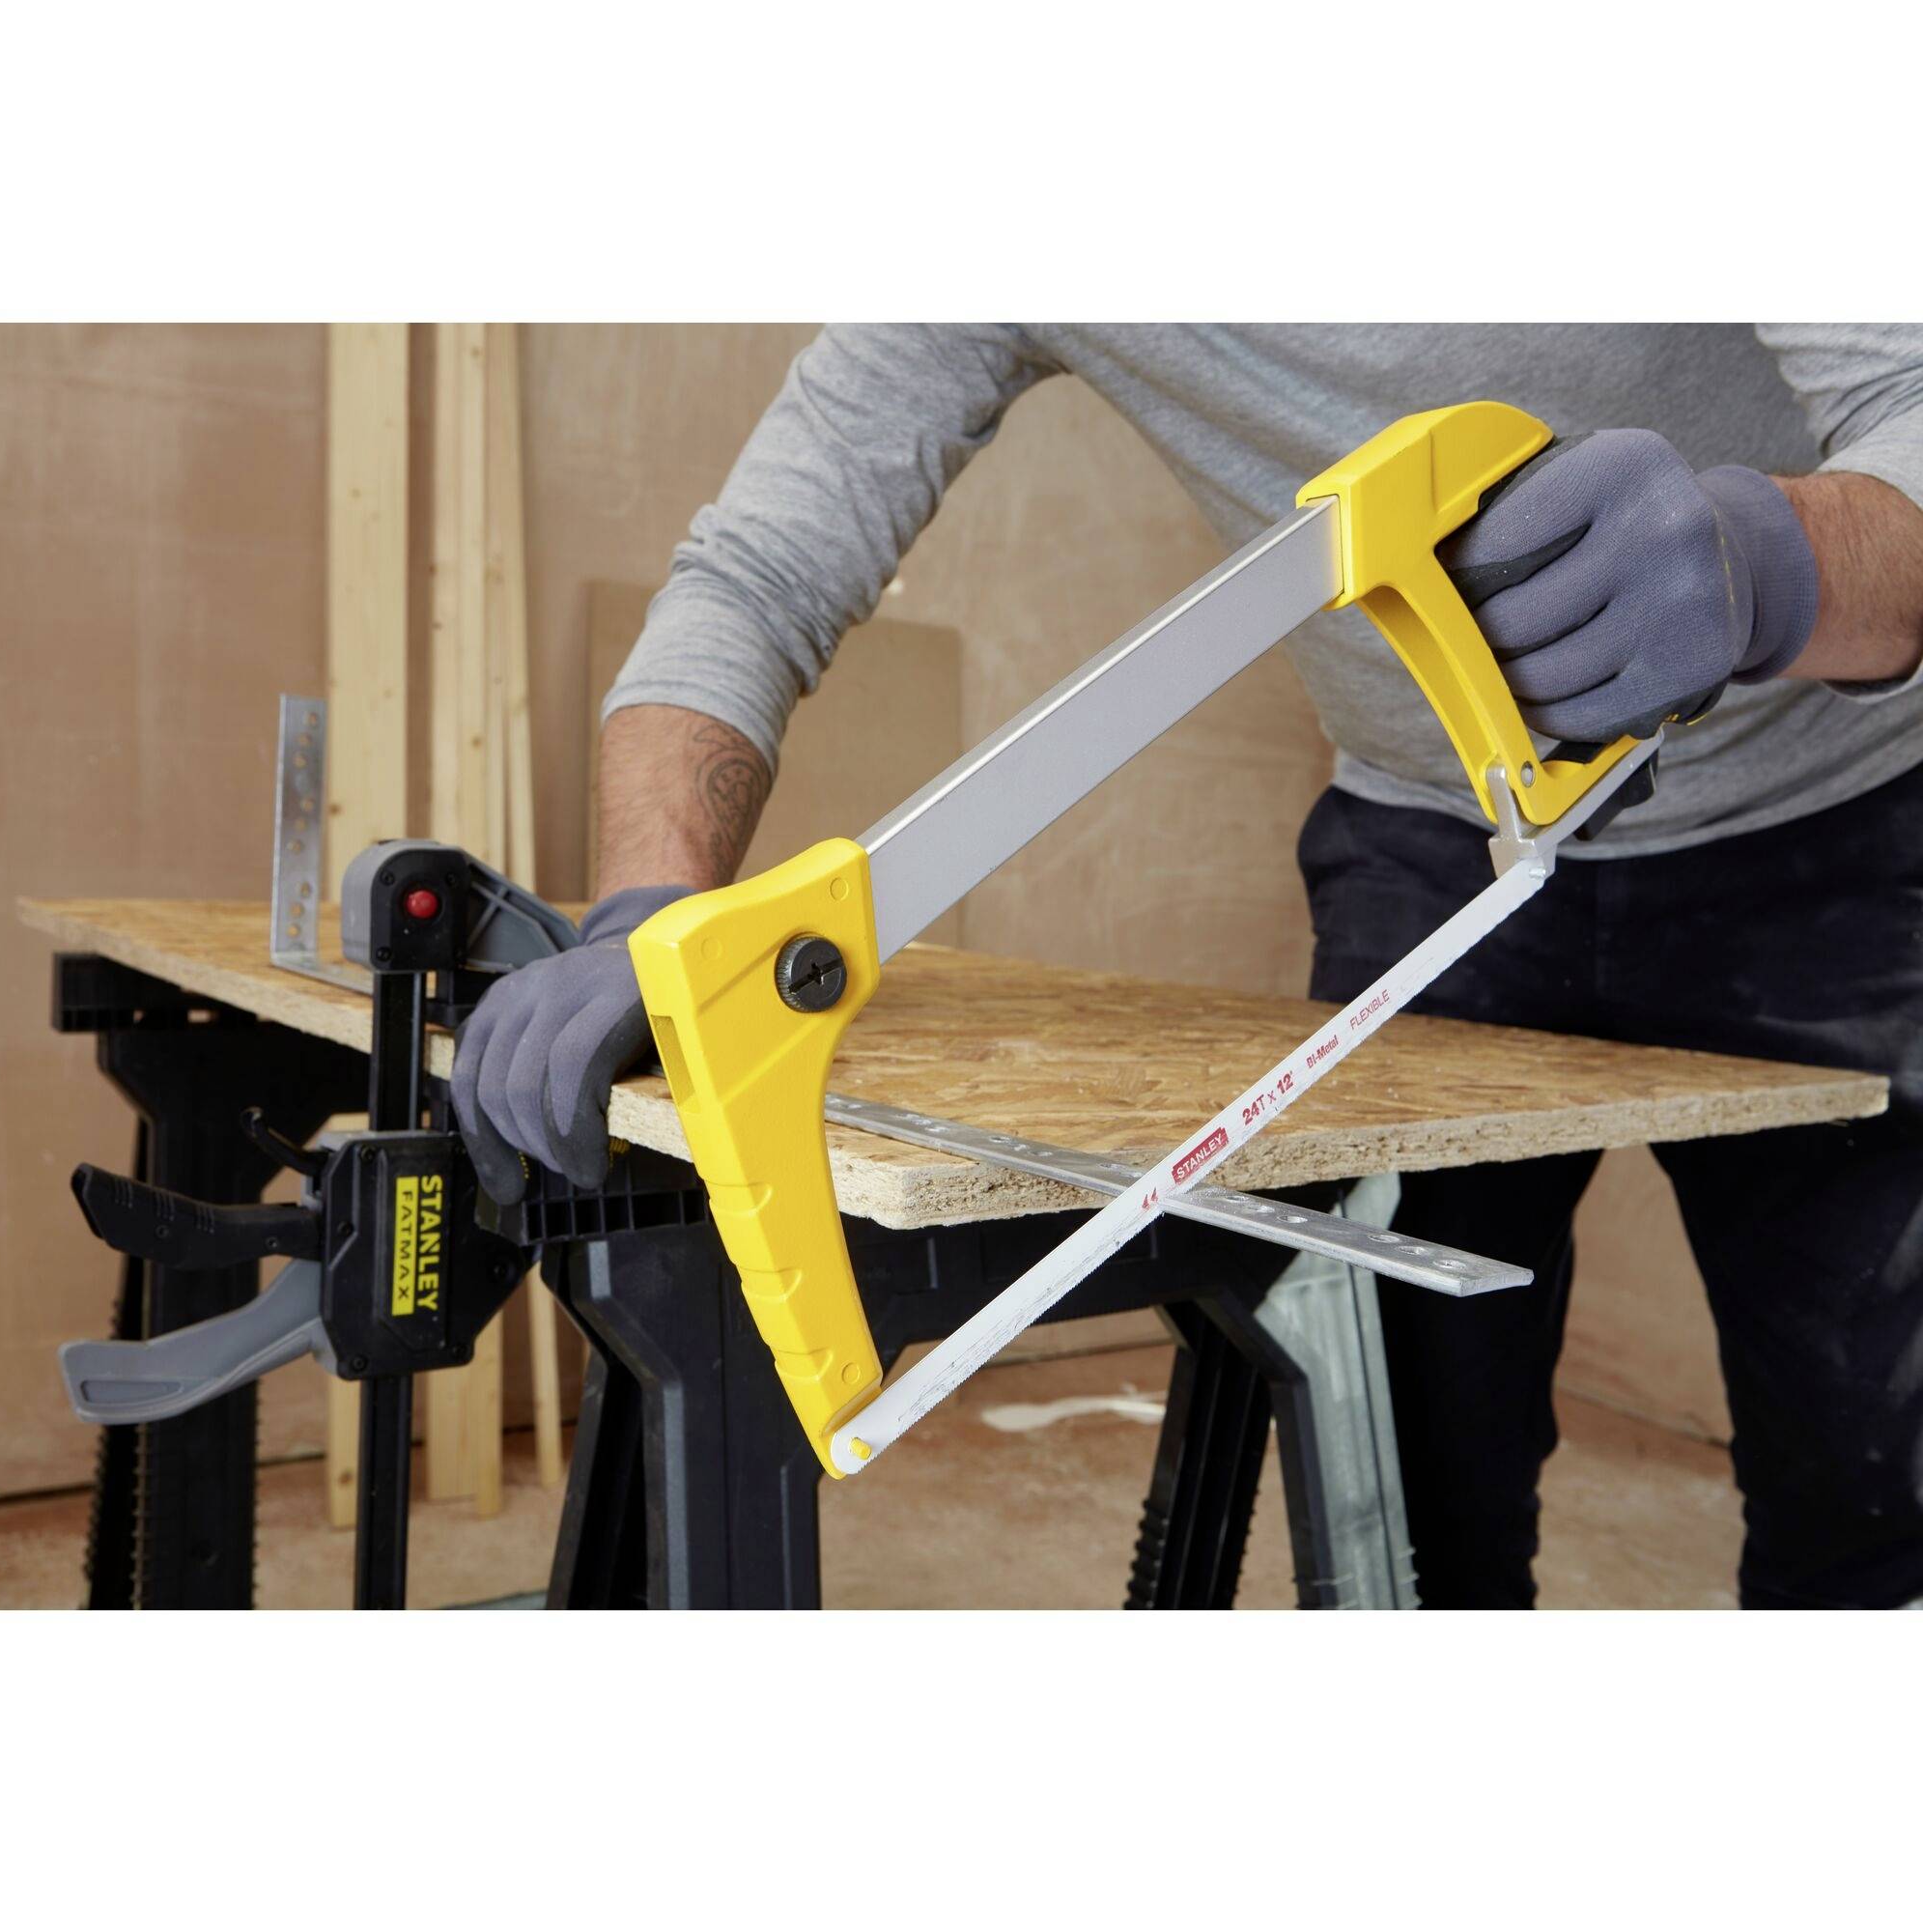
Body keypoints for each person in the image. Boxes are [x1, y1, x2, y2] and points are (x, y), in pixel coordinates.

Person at [453, 326, 1923, 1608]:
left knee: (1873, 1487)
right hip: (1432, 844)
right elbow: (759, 570)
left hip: (1842, 824)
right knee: (1406, 1495)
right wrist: (656, 905)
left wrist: (1773, 564)